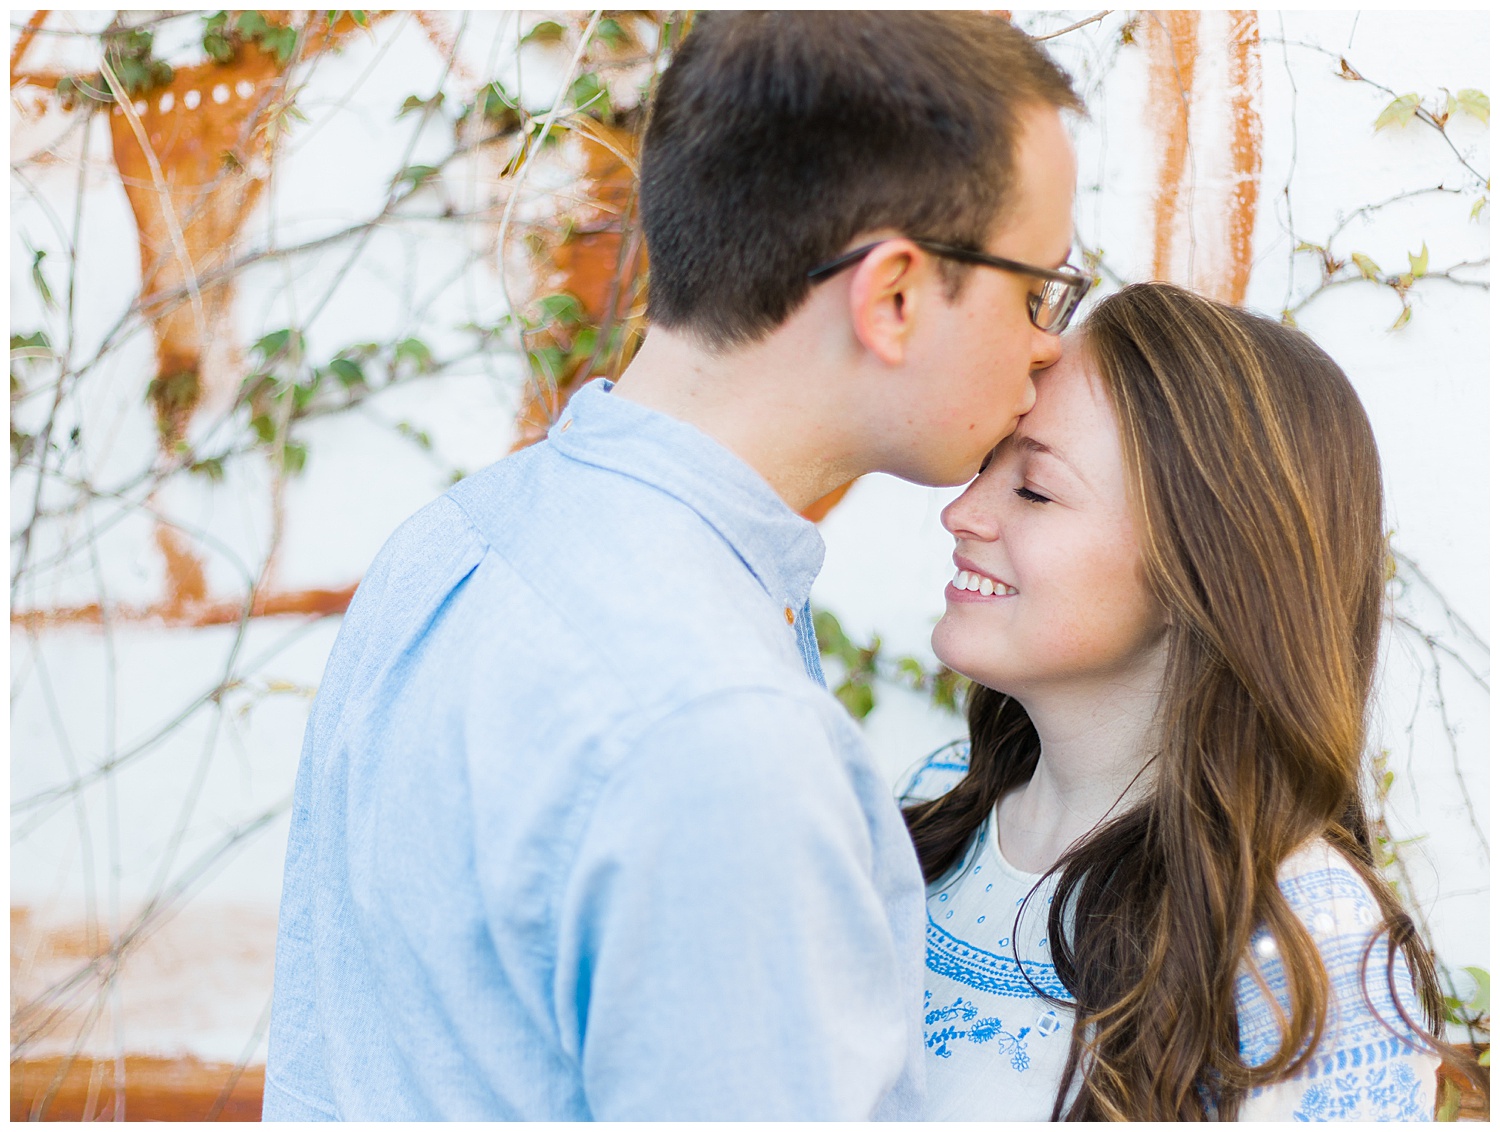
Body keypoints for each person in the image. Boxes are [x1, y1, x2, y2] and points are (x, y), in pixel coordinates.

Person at [263, 12, 1086, 1121]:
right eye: (1036, 288)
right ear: (892, 295)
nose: (1046, 341)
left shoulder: (457, 539)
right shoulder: (720, 732)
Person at [901, 282, 1455, 1120]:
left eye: (1035, 490)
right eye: (987, 467)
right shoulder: (928, 806)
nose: (960, 512)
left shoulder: (1313, 959)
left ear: (1205, 570)